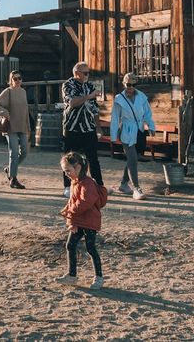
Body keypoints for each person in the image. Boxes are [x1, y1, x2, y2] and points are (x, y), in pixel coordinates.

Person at [57, 151, 106, 290]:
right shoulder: (75, 182)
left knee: (91, 249)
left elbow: (84, 203)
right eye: (65, 171)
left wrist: (70, 214)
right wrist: (67, 212)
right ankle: (72, 276)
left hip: (90, 222)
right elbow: (73, 201)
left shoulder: (88, 184)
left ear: (78, 167)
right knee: (70, 245)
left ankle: (99, 277)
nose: (66, 174)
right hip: (78, 221)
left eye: (68, 170)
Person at [111, 72, 156, 200]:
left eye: (134, 84)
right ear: (124, 84)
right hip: (126, 130)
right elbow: (115, 118)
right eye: (128, 84)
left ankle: (123, 184)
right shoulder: (119, 99)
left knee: (133, 157)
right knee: (133, 158)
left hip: (140, 130)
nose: (131, 87)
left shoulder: (141, 97)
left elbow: (147, 113)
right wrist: (113, 136)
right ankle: (136, 188)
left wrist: (151, 126)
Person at [61, 62, 104, 197]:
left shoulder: (89, 85)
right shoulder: (68, 85)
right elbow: (72, 102)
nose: (87, 75)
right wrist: (88, 96)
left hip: (88, 127)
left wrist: (98, 127)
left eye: (88, 73)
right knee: (69, 159)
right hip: (72, 127)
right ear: (76, 73)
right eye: (85, 73)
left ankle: (99, 185)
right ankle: (68, 186)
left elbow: (95, 108)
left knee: (93, 159)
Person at [0, 70, 30, 189]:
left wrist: (28, 128)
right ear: (10, 81)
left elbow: (26, 111)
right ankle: (13, 179)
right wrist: (4, 112)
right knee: (13, 153)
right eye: (15, 79)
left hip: (22, 126)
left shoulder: (23, 92)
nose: (18, 81)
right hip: (11, 127)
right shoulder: (7, 92)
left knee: (24, 152)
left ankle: (10, 169)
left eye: (19, 78)